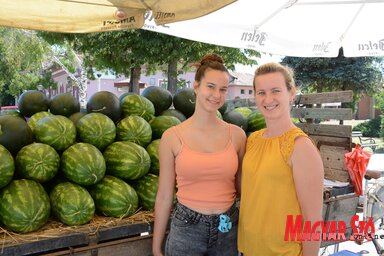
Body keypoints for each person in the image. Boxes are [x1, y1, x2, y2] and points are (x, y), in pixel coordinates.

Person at [152, 53, 246, 256]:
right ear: (196, 86)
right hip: (186, 231)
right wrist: (156, 247)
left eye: (223, 89)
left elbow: (244, 190)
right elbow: (165, 196)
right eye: (210, 86)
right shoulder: (172, 137)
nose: (216, 95)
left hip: (227, 228)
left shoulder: (237, 135)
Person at [238, 63, 324, 255]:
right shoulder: (253, 140)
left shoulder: (301, 146)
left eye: (276, 90)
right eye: (261, 92)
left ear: (291, 92)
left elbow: (313, 221)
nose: (268, 99)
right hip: (248, 249)